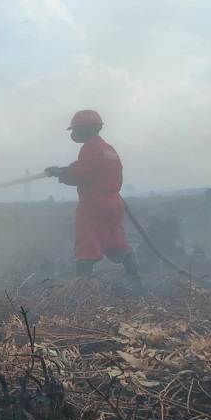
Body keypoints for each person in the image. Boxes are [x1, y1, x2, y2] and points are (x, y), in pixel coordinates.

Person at [46, 110, 142, 292]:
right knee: (117, 243)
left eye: (76, 130)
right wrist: (62, 169)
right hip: (114, 203)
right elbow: (88, 168)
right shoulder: (108, 148)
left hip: (94, 204)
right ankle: (138, 284)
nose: (74, 134)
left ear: (85, 129)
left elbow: (81, 174)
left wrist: (62, 174)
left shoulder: (90, 148)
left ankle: (81, 293)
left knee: (86, 244)